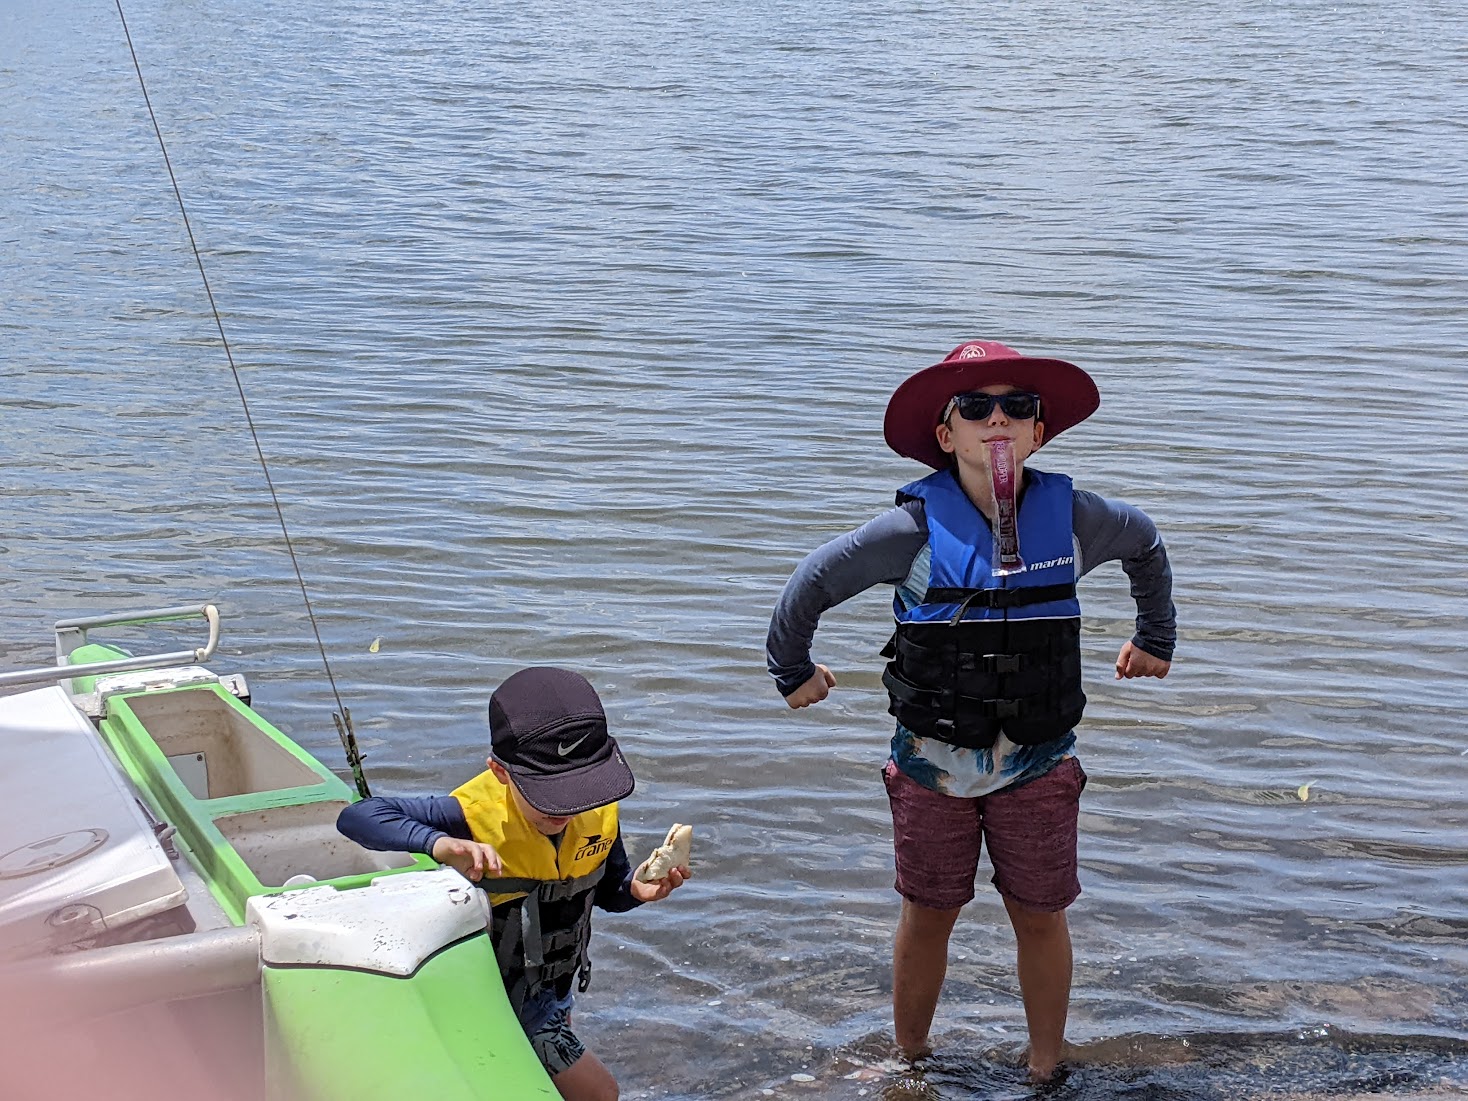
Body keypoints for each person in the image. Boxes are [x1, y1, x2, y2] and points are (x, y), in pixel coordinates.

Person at [765, 339, 1176, 1083]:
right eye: (976, 407)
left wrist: (1155, 636)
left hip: (1040, 764)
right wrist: (790, 670)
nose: (999, 419)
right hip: (932, 768)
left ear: (1038, 434)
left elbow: (1145, 540)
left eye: (1018, 407)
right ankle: (911, 1059)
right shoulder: (913, 533)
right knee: (929, 913)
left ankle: (1046, 1067)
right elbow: (814, 579)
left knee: (1042, 914)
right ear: (945, 435)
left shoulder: (1076, 521)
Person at [337, 666, 689, 1101]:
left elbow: (608, 889)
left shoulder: (594, 814)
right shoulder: (467, 815)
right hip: (492, 996)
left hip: (552, 992)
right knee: (599, 1094)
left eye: (580, 790)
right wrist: (440, 843)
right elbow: (357, 817)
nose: (567, 808)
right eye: (549, 795)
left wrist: (635, 890)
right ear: (501, 773)